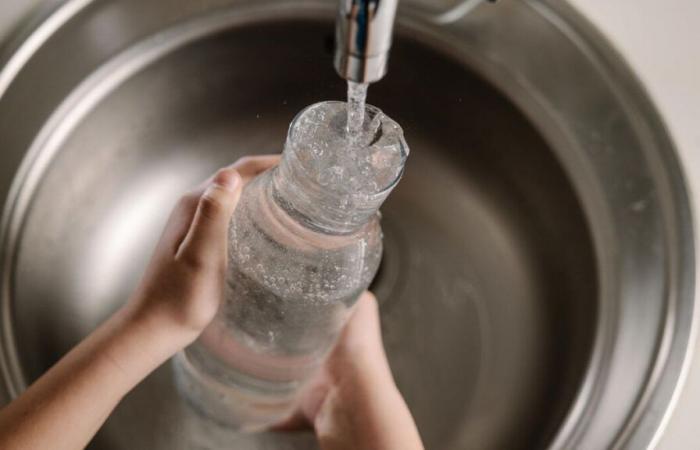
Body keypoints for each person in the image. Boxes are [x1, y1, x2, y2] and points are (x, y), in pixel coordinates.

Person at [0, 156, 424, 450]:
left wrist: (154, 322)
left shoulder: (361, 246)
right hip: (226, 380)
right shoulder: (260, 212)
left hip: (274, 389)